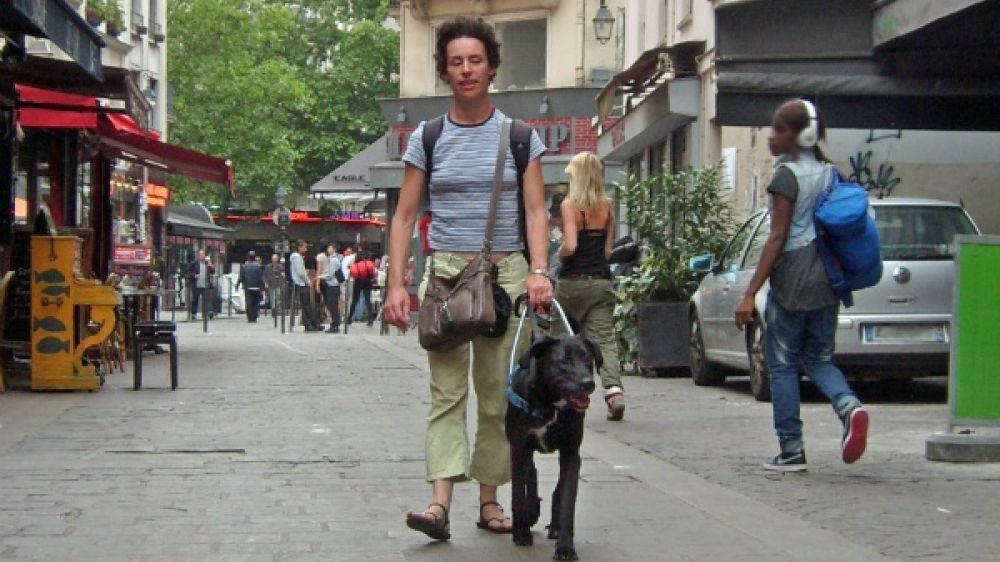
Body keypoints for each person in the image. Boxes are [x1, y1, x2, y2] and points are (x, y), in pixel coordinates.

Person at [381, 17, 552, 541]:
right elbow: (405, 216)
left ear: (492, 67)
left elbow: (536, 209)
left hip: (506, 278)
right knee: (446, 393)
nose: (466, 69)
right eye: (456, 62)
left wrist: (540, 272)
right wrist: (397, 285)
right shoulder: (428, 138)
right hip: (447, 280)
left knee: (498, 396)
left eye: (475, 60)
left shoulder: (520, 137)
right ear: (445, 71)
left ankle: (490, 499)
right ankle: (438, 505)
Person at [735, 99, 869, 472]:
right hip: (828, 275)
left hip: (794, 277)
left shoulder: (786, 176)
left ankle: (791, 449)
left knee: (781, 364)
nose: (771, 137)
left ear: (800, 135)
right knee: (820, 358)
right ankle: (849, 406)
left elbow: (776, 239)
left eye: (778, 130)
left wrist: (749, 293)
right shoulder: (831, 173)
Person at [556, 152, 624, 421]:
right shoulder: (608, 206)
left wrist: (558, 253)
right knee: (604, 339)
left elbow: (571, 245)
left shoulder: (570, 205)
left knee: (560, 338)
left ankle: (563, 394)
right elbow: (607, 252)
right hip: (601, 281)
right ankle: (614, 391)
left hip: (572, 282)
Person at [290, 240, 321, 332]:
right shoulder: (296, 257)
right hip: (301, 283)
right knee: (306, 305)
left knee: (307, 304)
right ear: (299, 247)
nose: (306, 249)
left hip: (301, 282)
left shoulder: (298, 257)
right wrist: (307, 281)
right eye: (304, 247)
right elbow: (300, 272)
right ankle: (309, 324)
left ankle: (313, 323)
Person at [348, 252, 377, 327]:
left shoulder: (355, 265)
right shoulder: (368, 263)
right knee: (368, 300)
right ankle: (370, 320)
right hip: (367, 281)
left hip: (358, 281)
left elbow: (351, 275)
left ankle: (349, 318)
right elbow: (373, 273)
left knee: (354, 300)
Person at [320, 244, 343, 333]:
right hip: (333, 285)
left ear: (334, 249)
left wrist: (321, 276)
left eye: (330, 248)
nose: (328, 249)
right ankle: (335, 323)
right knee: (332, 305)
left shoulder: (334, 260)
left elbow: (330, 275)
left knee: (332, 306)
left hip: (333, 285)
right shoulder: (333, 259)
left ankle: (335, 324)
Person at [236, 251, 264, 323]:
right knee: (255, 302)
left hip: (248, 286)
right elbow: (261, 277)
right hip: (256, 287)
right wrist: (262, 287)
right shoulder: (258, 266)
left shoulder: (244, 266)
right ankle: (254, 317)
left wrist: (237, 285)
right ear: (254, 258)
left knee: (249, 302)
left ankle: (250, 317)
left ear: (248, 257)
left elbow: (241, 277)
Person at [187, 249, 214, 320]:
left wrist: (211, 265)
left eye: (203, 255)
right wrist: (194, 275)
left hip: (205, 284)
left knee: (207, 299)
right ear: (198, 256)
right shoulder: (194, 263)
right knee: (195, 299)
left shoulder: (207, 263)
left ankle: (209, 312)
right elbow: (188, 272)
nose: (202, 256)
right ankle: (194, 313)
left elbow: (212, 272)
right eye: (201, 255)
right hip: (196, 284)